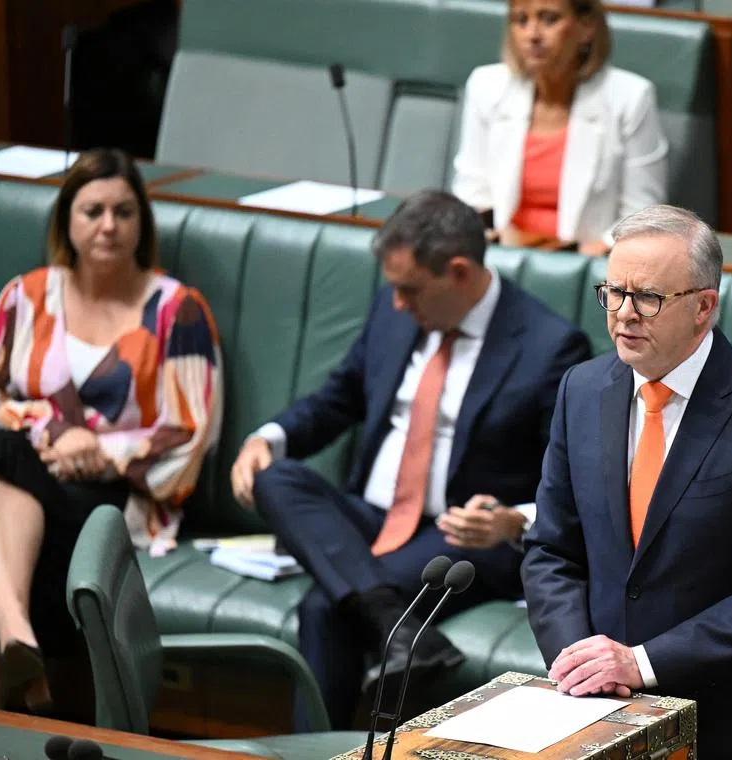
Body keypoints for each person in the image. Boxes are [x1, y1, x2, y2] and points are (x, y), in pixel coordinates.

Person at [230, 189, 591, 730]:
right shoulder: (397, 312)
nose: (398, 303)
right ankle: (387, 621)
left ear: (460, 272)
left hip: (463, 535)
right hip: (370, 516)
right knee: (275, 477)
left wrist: (513, 520)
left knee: (325, 608)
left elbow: (569, 480)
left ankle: (322, 747)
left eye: (410, 290)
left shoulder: (551, 347)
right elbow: (340, 397)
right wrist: (268, 438)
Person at [522, 205, 732, 759]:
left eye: (647, 297)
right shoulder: (582, 389)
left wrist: (641, 663)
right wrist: (582, 659)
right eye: (613, 292)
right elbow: (551, 549)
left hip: (731, 724)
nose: (623, 315)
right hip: (601, 715)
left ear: (704, 307)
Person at [0, 148, 222, 713]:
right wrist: (49, 429)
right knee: (6, 452)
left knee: (4, 455)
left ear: (141, 224)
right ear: (66, 222)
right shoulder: (25, 297)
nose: (108, 226)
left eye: (124, 212)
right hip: (27, 472)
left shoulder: (178, 311)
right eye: (92, 210)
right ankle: (17, 639)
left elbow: (191, 435)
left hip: (117, 500)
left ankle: (16, 645)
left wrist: (99, 451)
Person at [451, 0, 667, 256]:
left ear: (586, 27)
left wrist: (584, 263)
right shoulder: (486, 85)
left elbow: (642, 215)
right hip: (501, 256)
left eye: (549, 19)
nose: (532, 34)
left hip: (587, 265)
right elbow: (472, 192)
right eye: (521, 20)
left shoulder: (630, 97)